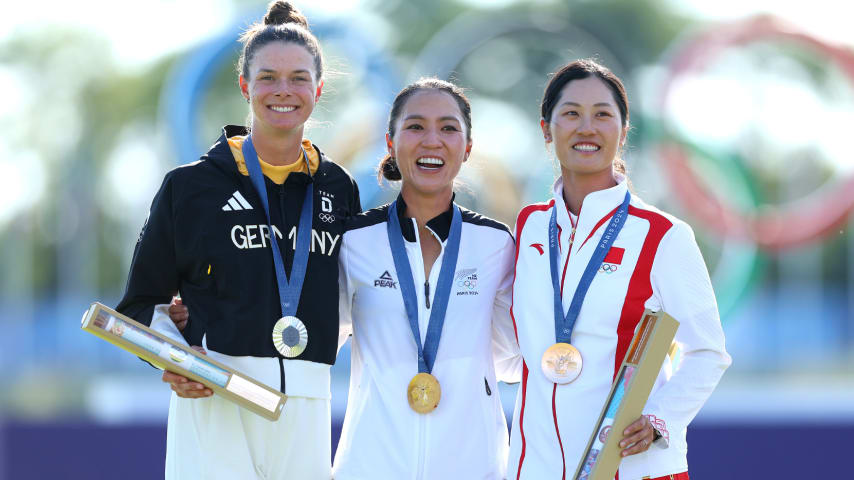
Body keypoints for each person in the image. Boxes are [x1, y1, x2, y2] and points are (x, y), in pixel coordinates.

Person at [116, 2, 360, 478]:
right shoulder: (190, 187)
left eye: (298, 78)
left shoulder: (338, 187)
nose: (283, 91)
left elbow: (352, 297)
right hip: (216, 395)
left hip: (311, 400)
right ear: (245, 86)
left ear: (318, 89)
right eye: (268, 77)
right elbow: (140, 305)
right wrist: (177, 360)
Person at [507, 59, 731, 480]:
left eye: (603, 115)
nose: (586, 127)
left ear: (623, 132)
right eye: (571, 113)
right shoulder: (528, 226)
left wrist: (660, 420)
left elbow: (708, 352)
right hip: (533, 468)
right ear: (545, 129)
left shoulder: (664, 235)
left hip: (633, 470)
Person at [330, 78, 520, 479]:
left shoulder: (497, 246)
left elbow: (512, 361)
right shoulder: (353, 241)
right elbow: (317, 341)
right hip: (370, 464)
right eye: (415, 126)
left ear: (467, 148)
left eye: (449, 128)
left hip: (474, 465)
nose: (432, 140)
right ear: (390, 143)